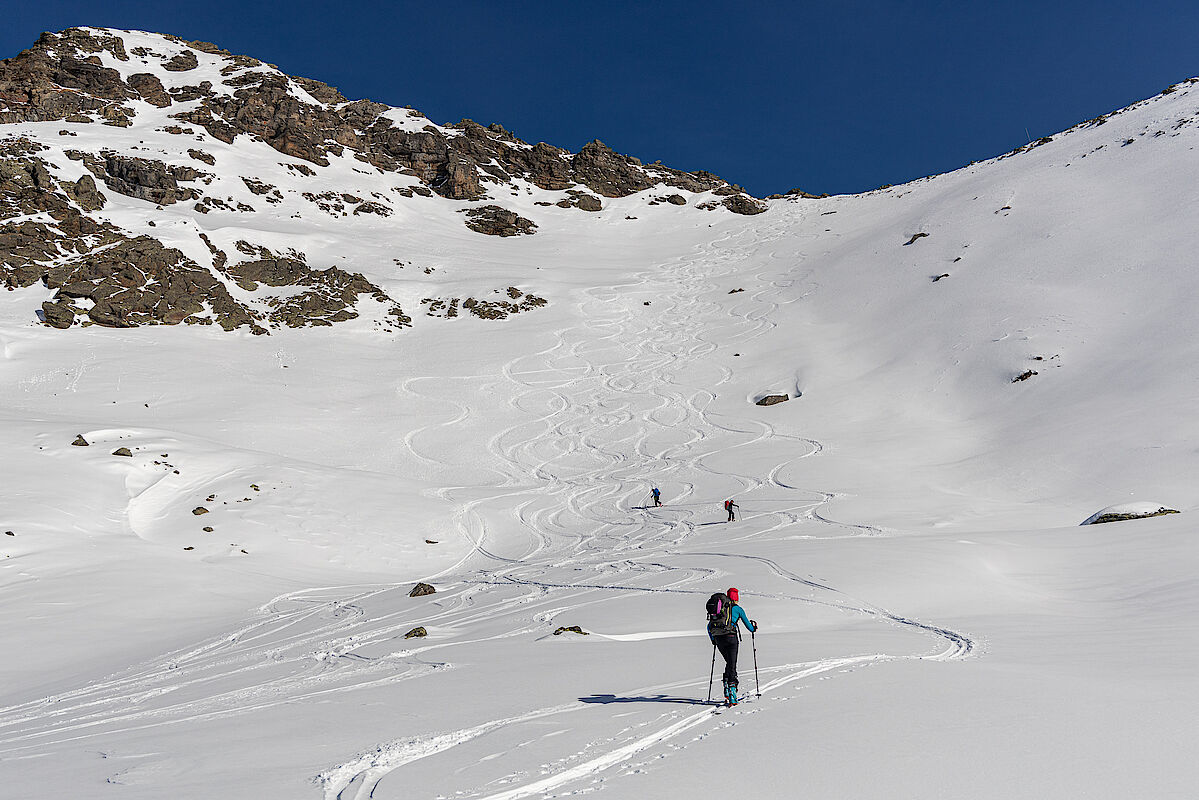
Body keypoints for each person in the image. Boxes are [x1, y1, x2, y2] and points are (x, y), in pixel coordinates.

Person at [707, 586, 756, 704]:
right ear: (736, 598)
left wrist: (713, 639)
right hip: (731, 638)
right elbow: (749, 627)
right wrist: (753, 628)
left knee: (729, 662)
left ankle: (726, 685)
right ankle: (732, 692)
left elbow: (709, 626)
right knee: (732, 664)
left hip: (719, 639)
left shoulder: (721, 610)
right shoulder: (738, 609)